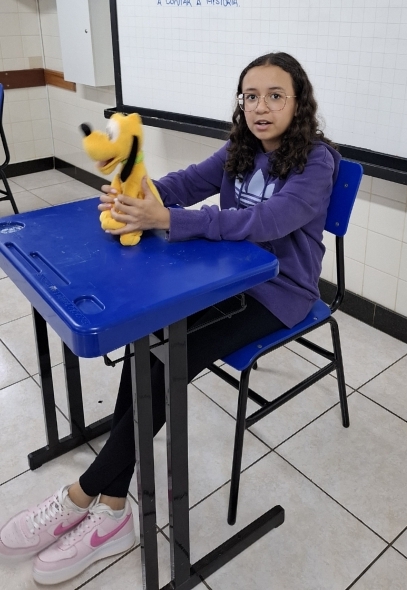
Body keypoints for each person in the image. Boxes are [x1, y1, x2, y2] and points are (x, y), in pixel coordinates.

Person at [0, 52, 340, 585]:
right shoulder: (241, 146)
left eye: (275, 96)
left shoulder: (318, 161)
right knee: (149, 342)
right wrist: (138, 194)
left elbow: (268, 221)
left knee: (172, 360)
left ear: (299, 103)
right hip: (228, 278)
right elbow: (185, 183)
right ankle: (114, 509)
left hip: (279, 291)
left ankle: (83, 494)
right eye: (251, 96)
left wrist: (171, 220)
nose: (261, 107)